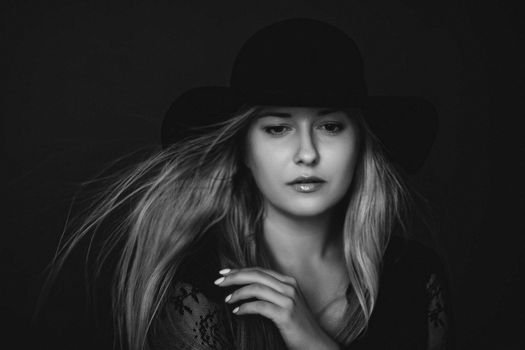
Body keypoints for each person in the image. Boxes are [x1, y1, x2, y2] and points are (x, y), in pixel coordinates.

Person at [46, 18, 452, 350]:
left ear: (361, 143)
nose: (307, 153)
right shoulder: (199, 290)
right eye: (278, 128)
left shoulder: (416, 276)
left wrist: (312, 342)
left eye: (330, 126)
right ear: (243, 149)